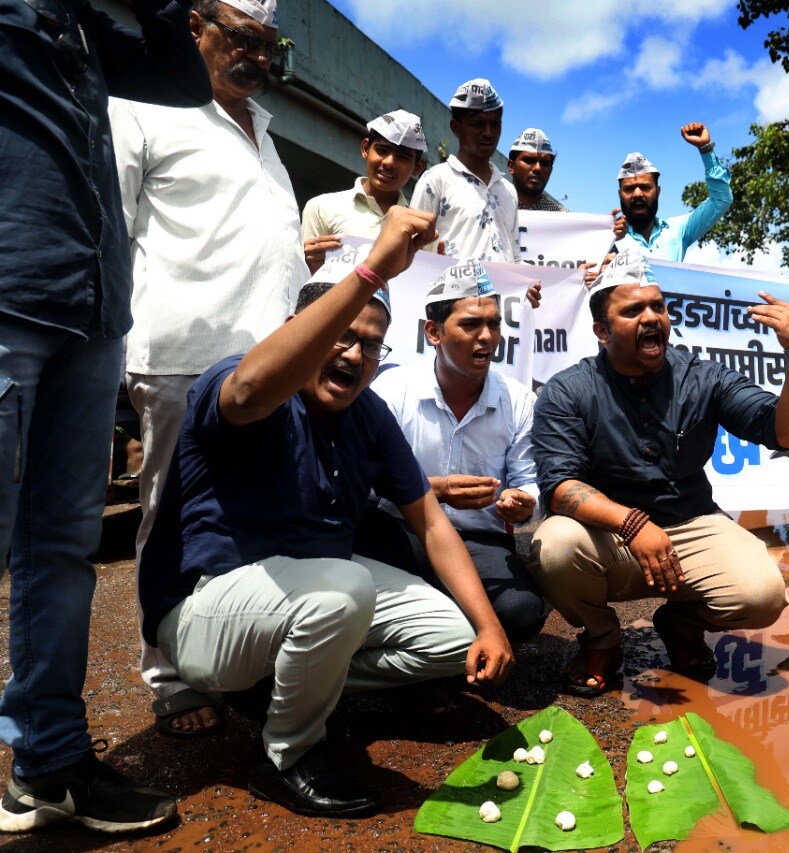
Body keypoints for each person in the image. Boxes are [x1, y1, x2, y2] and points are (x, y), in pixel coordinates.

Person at [136, 207, 514, 818]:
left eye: (371, 344)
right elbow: (249, 391)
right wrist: (370, 272)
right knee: (344, 585)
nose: (355, 354)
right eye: (340, 334)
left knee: (451, 636)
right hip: (206, 611)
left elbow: (431, 521)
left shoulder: (367, 414)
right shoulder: (239, 381)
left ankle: (289, 686)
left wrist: (490, 627)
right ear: (301, 328)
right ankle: (287, 755)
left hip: (311, 599)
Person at [0, 0, 210, 835]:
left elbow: (183, 79)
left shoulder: (87, 21)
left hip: (91, 311)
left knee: (60, 550)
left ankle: (48, 763)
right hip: (9, 291)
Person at [110, 0, 310, 739]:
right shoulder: (142, 109)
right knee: (169, 518)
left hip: (267, 366)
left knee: (252, 517)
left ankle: (239, 658)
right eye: (241, 38)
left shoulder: (266, 132)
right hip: (181, 361)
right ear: (194, 28)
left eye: (267, 43)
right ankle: (167, 675)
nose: (256, 56)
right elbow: (116, 225)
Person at [528, 248, 789, 696]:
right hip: (608, 536)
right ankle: (602, 639)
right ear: (602, 331)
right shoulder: (568, 390)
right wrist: (633, 524)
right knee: (554, 545)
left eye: (658, 307)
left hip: (692, 523)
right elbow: (560, 489)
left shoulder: (706, 377)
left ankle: (680, 623)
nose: (651, 317)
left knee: (762, 597)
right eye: (632, 310)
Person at [358, 261, 547, 643]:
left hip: (480, 542)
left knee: (522, 612)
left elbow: (529, 481)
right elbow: (362, 483)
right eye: (470, 325)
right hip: (401, 533)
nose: (487, 337)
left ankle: (436, 619)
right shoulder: (392, 391)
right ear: (433, 332)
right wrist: (434, 491)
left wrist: (524, 501)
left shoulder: (519, 401)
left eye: (494, 324)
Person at [301, 109, 428, 273]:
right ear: (366, 148)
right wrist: (311, 266)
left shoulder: (420, 229)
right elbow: (305, 283)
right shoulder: (320, 208)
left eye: (403, 157)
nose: (389, 162)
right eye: (382, 150)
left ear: (417, 167)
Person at [410, 77, 518, 261]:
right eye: (478, 124)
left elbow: (515, 257)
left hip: (505, 292)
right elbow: (412, 252)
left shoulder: (508, 191)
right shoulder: (435, 181)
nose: (488, 133)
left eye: (495, 124)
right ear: (456, 127)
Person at [612, 123, 732, 262]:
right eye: (629, 189)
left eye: (645, 187)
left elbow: (721, 200)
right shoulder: (607, 238)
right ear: (620, 194)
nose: (637, 194)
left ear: (658, 191)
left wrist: (705, 149)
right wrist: (607, 241)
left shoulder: (677, 230)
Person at [508, 127, 565, 212]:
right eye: (529, 160)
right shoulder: (491, 207)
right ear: (511, 166)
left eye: (545, 163)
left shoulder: (564, 218)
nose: (538, 168)